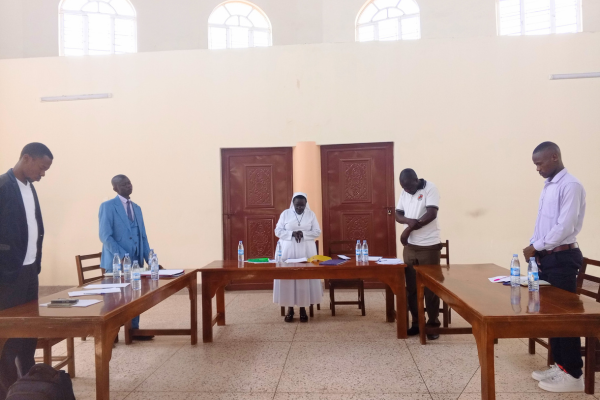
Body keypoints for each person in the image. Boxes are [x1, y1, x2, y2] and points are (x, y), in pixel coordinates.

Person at [524, 142, 585, 392]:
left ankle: (574, 375)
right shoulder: (549, 185)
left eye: (539, 163)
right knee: (551, 316)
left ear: (554, 157)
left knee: (564, 317)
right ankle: (560, 366)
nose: (537, 169)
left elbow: (565, 227)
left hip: (562, 258)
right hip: (548, 258)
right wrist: (534, 247)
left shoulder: (570, 185)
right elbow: (543, 223)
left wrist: (536, 246)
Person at [0, 143, 53, 399]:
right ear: (26, 158)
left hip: (30, 271)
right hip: (9, 273)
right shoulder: (3, 187)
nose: (42, 174)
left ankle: (28, 388)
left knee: (29, 334)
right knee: (9, 338)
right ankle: (8, 391)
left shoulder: (30, 188)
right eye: (41, 168)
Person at [99, 175, 153, 340]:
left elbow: (142, 236)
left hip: (136, 260)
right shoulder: (108, 206)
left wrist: (150, 259)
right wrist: (122, 255)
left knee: (136, 295)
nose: (128, 186)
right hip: (116, 262)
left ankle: (133, 330)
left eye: (129, 183)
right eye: (123, 184)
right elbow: (105, 236)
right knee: (115, 298)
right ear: (115, 188)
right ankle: (112, 333)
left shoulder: (137, 208)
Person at [395, 168, 442, 340]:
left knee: (431, 288)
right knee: (412, 288)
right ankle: (416, 322)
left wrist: (408, 230)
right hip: (410, 247)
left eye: (409, 186)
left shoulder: (430, 188)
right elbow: (397, 214)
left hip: (429, 246)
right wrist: (408, 221)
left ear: (416, 180)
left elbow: (431, 214)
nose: (407, 190)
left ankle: (433, 325)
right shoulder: (405, 191)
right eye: (404, 187)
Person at [273, 192, 323, 323]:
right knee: (289, 278)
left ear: (306, 204)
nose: (299, 208)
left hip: (306, 251)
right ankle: (290, 309)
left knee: (304, 278)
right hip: (288, 251)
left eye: (302, 205)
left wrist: (303, 234)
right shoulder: (285, 214)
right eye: (297, 205)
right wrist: (292, 234)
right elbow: (277, 231)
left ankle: (303, 309)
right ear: (293, 203)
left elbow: (317, 232)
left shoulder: (311, 214)